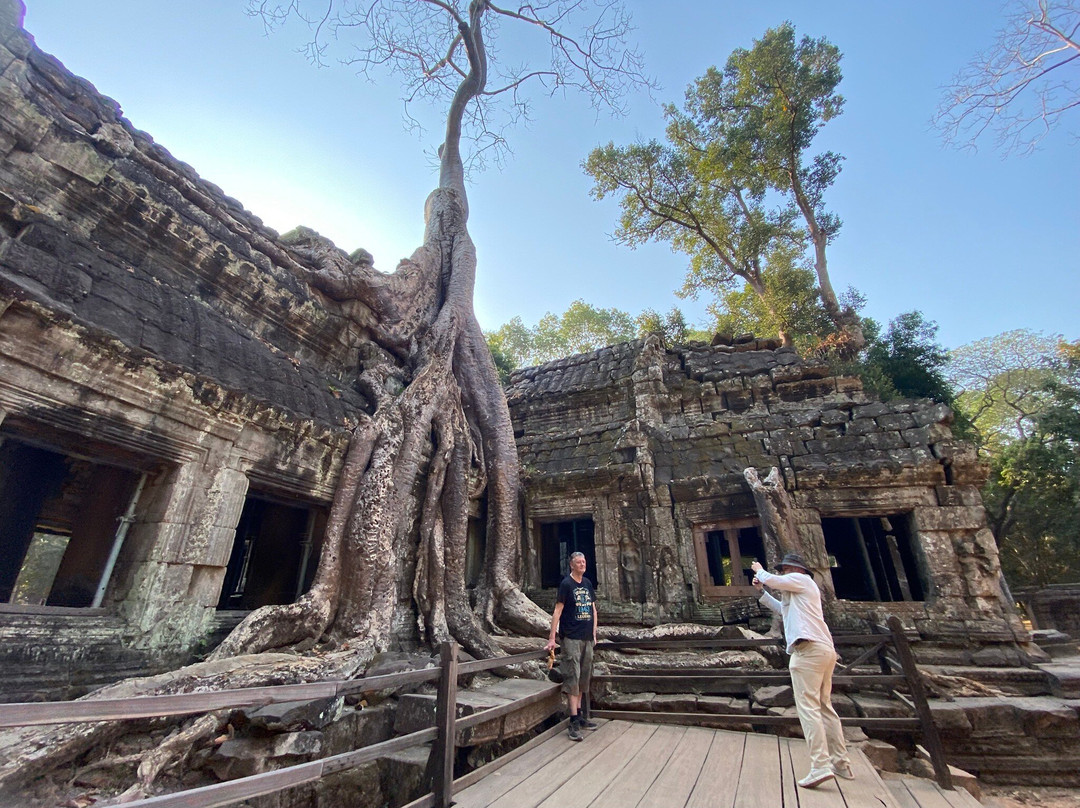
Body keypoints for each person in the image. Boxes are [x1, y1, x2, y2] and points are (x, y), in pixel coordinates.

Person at [751, 553, 853, 788]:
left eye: (785, 570)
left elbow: (774, 580)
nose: (783, 574)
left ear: (795, 569)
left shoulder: (803, 580)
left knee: (808, 708)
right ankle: (841, 762)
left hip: (808, 651)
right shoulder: (798, 594)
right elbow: (782, 610)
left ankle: (820, 765)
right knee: (825, 708)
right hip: (823, 650)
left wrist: (759, 571)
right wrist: (762, 593)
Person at [545, 551, 598, 741]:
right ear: (571, 565)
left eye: (584, 561)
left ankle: (581, 716)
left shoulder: (588, 583)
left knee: (584, 676)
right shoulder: (566, 584)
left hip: (586, 638)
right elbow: (557, 611)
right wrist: (552, 637)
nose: (582, 564)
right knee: (572, 676)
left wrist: (594, 633)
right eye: (579, 562)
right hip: (571, 638)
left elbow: (593, 608)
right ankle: (573, 720)